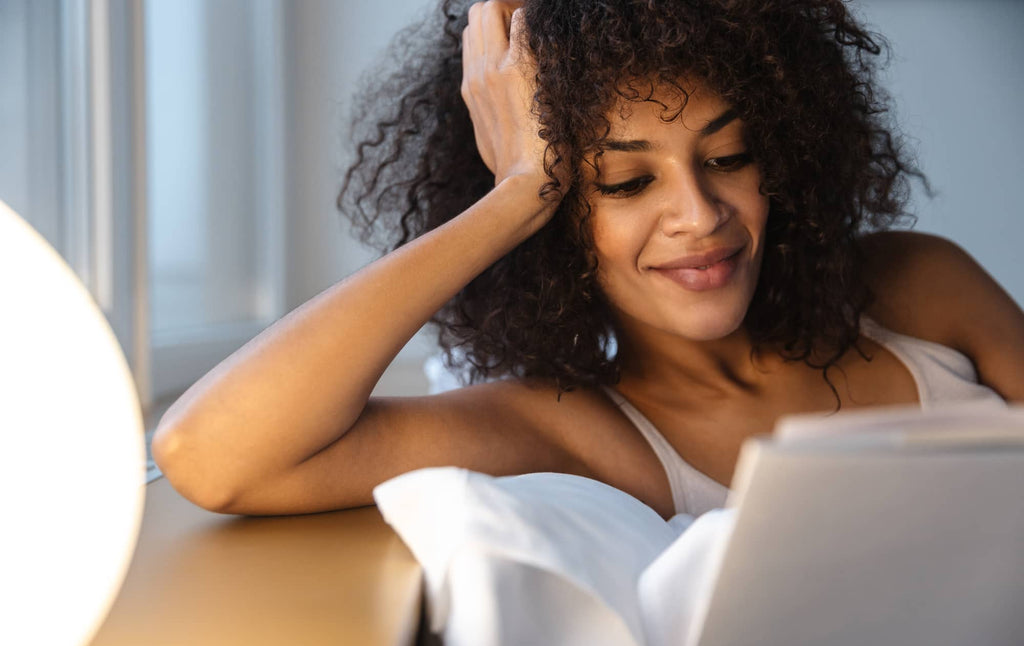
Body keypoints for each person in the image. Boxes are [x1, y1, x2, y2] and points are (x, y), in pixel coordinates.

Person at [152, 0, 1024, 519]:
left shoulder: (919, 285)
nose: (699, 214)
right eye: (623, 181)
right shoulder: (574, 435)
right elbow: (207, 452)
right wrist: (518, 192)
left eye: (728, 158)